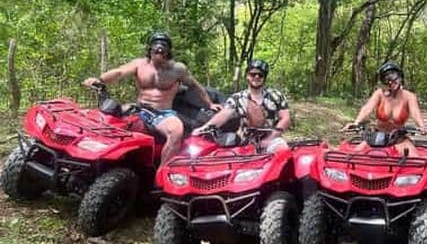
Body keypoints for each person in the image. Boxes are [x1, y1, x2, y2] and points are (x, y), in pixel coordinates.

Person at [83, 31, 220, 161]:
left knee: (176, 131)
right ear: (150, 49)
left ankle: (162, 175)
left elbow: (195, 85)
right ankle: (96, 161)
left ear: (168, 51)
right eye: (156, 46)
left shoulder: (178, 69)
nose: (159, 50)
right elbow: (119, 72)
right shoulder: (140, 64)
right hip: (140, 108)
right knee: (106, 117)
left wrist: (210, 104)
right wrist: (99, 80)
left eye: (163, 47)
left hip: (163, 113)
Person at [193, 59, 291, 152]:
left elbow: (285, 118)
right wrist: (203, 129)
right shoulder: (237, 98)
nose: (256, 77)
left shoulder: (276, 95)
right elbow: (223, 115)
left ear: (264, 77)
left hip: (272, 139)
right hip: (246, 142)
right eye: (253, 74)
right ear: (247, 76)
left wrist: (270, 138)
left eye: (260, 75)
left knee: (282, 149)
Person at [344, 61, 427, 156]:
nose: (391, 82)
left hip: (399, 139)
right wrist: (356, 123)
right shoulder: (380, 93)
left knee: (414, 158)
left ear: (400, 77)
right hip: (377, 137)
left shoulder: (409, 96)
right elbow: (367, 108)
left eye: (393, 77)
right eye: (387, 79)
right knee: (355, 155)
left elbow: (415, 113)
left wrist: (422, 126)